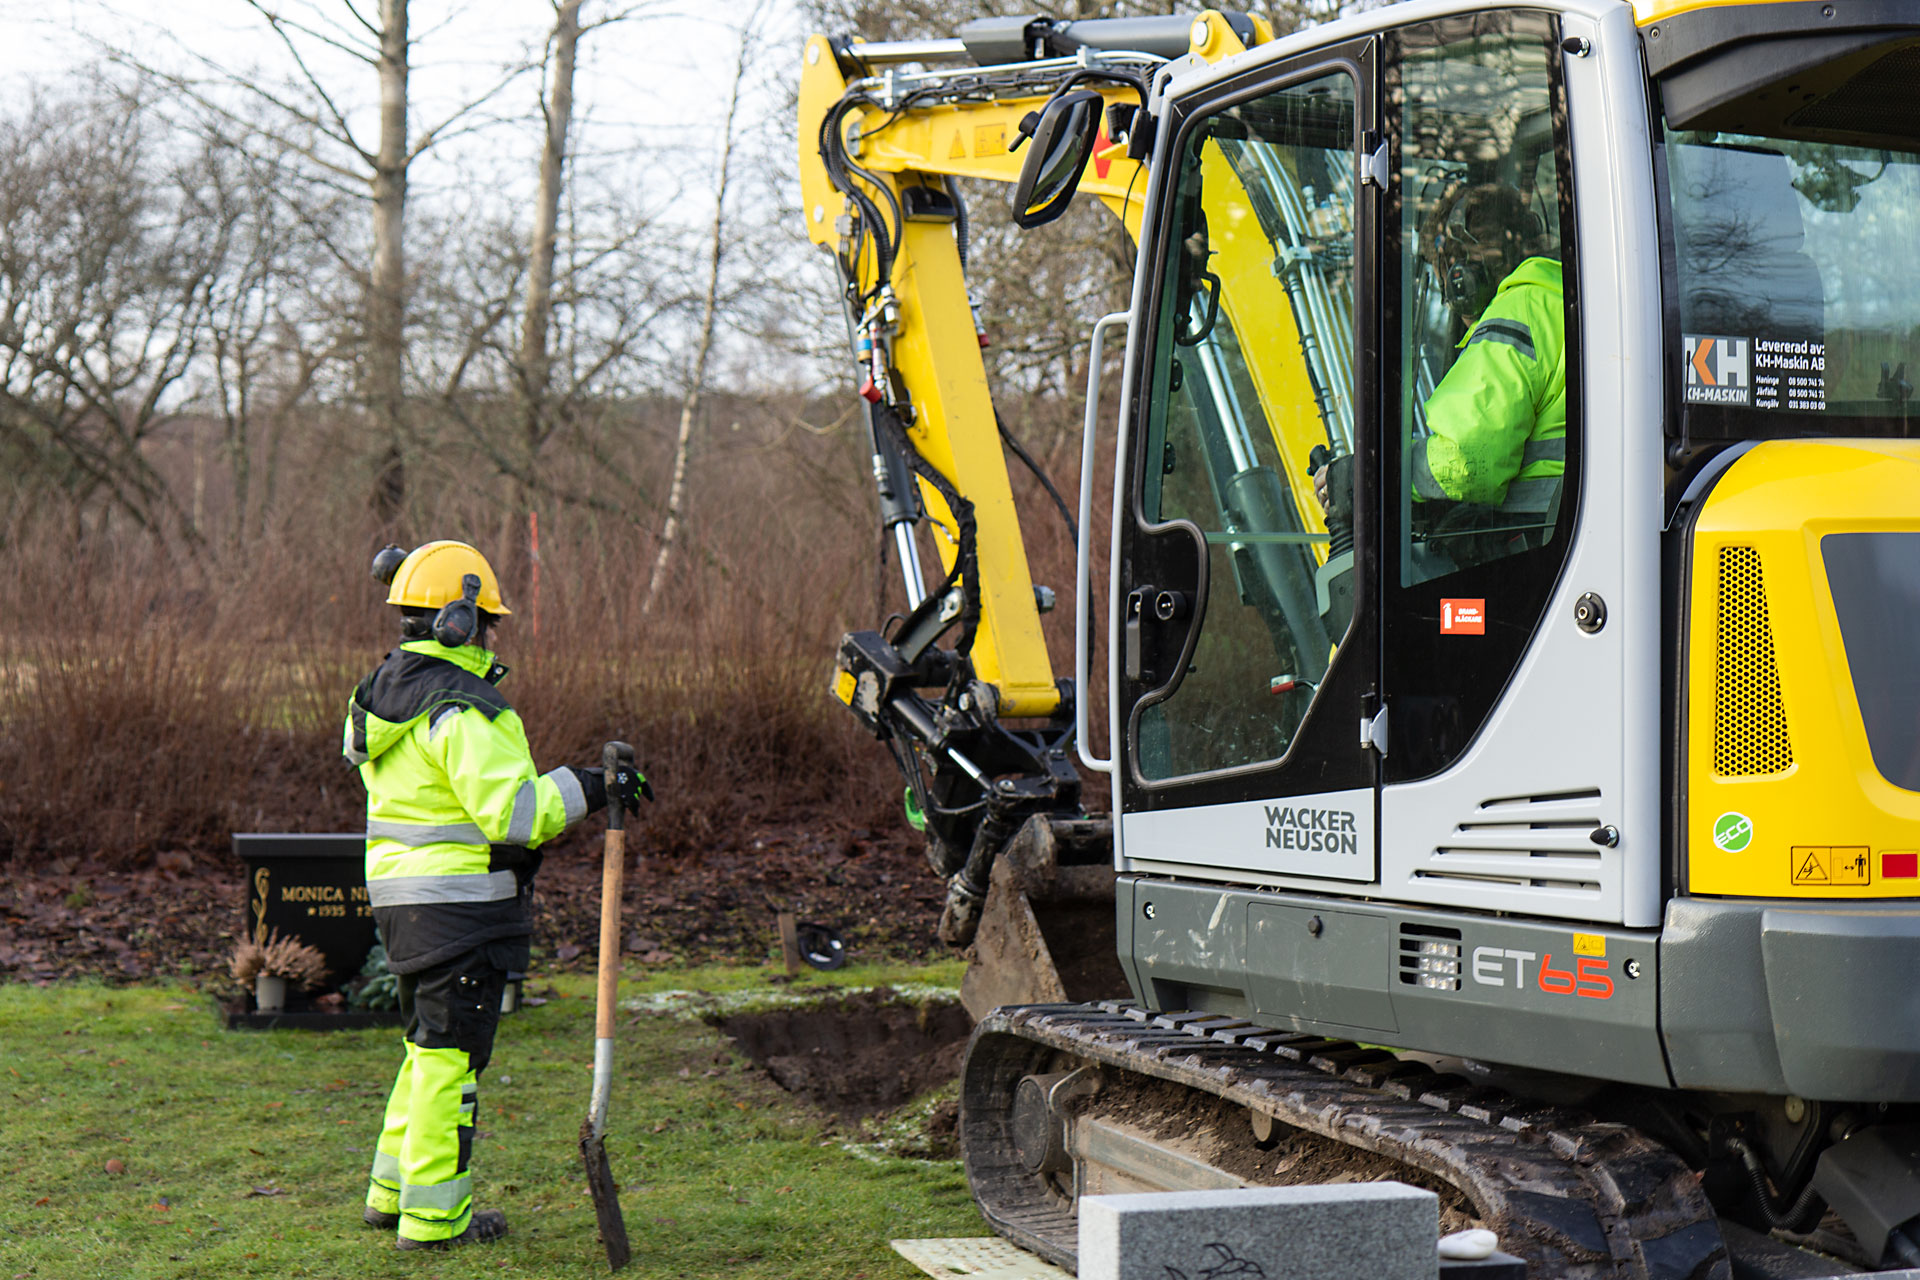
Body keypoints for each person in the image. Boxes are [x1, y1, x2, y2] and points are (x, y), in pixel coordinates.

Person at [344, 540, 648, 1251]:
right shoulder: (465, 709)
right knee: (450, 1064)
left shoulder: (381, 695)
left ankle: (391, 1195)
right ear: (456, 621)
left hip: (404, 903)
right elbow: (514, 814)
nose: (492, 635)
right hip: (461, 910)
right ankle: (434, 1221)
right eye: (487, 621)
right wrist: (592, 787)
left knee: (427, 1051)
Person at [1316, 183, 1565, 534]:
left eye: (1444, 276)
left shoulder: (1518, 313)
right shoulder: (1561, 299)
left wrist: (1371, 474)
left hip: (1542, 542)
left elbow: (1468, 462)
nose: (1450, 297)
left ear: (1462, 274)